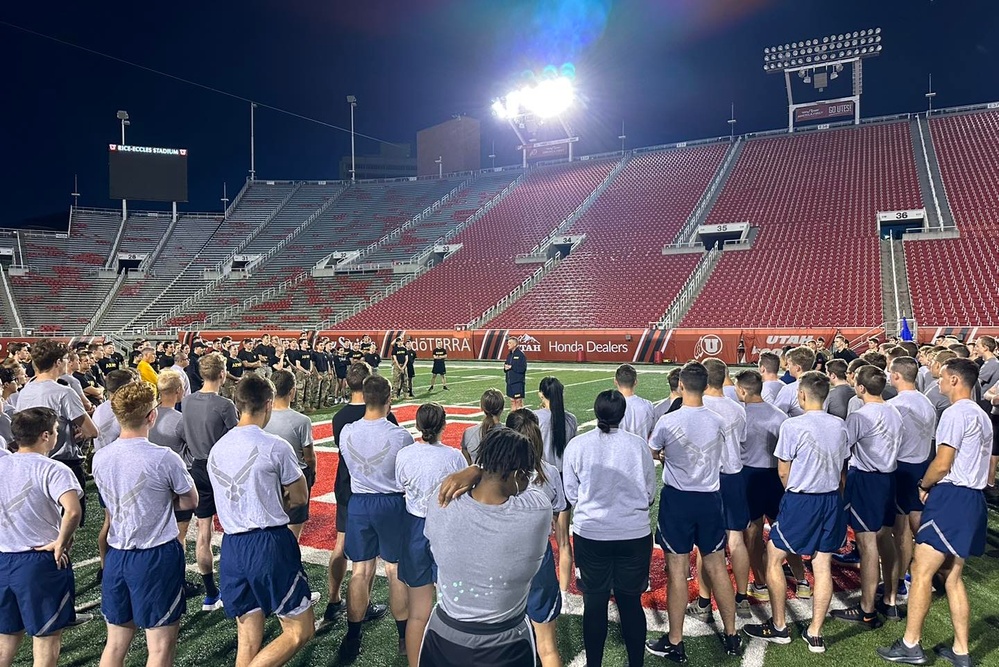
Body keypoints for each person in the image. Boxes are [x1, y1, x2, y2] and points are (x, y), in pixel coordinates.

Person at [877, 358, 993, 666]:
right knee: (953, 577)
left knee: (921, 571)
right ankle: (961, 650)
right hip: (972, 499)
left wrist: (924, 484)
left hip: (952, 497)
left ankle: (911, 644)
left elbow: (943, 463)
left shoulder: (955, 413)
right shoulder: (981, 415)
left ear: (955, 380)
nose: (938, 382)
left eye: (942, 377)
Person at [208, 374, 315, 666]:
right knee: (299, 631)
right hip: (268, 543)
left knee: (248, 639)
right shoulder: (275, 445)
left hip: (232, 546)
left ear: (238, 403)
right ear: (268, 404)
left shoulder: (218, 449)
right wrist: (276, 499)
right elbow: (300, 497)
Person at [423, 428, 553, 666]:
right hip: (506, 644)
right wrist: (478, 471)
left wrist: (476, 469)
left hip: (444, 637)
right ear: (517, 474)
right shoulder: (536, 511)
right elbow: (536, 492)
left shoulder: (440, 501)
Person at [743, 371, 850, 653]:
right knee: (822, 564)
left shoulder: (793, 426)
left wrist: (794, 493)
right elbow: (842, 469)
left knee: (773, 558)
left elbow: (783, 471)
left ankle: (779, 626)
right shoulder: (840, 426)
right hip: (831, 499)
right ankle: (815, 633)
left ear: (802, 395)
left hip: (802, 500)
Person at [93, 382, 198, 667]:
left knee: (115, 644)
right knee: (160, 647)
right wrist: (163, 503)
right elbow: (190, 501)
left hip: (117, 556)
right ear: (152, 416)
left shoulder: (100, 458)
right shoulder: (164, 458)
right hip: (155, 556)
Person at [647, 362, 742, 661]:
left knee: (677, 572)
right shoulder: (718, 420)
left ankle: (676, 641)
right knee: (716, 566)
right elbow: (727, 462)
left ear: (682, 386)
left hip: (678, 501)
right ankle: (731, 634)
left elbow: (653, 450)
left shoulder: (668, 421)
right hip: (710, 499)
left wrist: (667, 457)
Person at [563, 390, 655, 667]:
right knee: (630, 603)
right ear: (623, 414)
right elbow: (649, 493)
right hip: (634, 533)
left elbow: (572, 492)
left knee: (595, 603)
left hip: (592, 533)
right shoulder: (638, 446)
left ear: (596, 411)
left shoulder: (578, 445)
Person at [0, 408, 86, 667]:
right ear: (45, 435)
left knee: (6, 638)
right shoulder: (54, 469)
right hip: (39, 561)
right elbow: (72, 510)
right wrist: (61, 542)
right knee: (46, 638)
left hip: (4, 560)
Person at [337, 374, 413, 661]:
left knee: (360, 571)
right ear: (389, 400)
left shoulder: (347, 431)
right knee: (394, 571)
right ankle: (404, 638)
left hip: (359, 504)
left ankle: (353, 636)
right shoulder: (400, 436)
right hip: (391, 503)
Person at [394, 403, 466, 667]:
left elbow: (399, 485)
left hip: (414, 529)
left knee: (417, 613)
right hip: (445, 529)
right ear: (443, 425)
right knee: (451, 608)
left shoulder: (405, 454)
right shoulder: (454, 457)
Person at [320, 363, 391, 630]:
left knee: (341, 542)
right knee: (367, 553)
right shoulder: (381, 414)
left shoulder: (339, 417)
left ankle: (333, 599)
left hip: (345, 482)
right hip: (371, 485)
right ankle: (364, 604)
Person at [831, 365, 903, 626]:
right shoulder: (894, 410)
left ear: (860, 387)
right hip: (888, 478)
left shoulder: (860, 416)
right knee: (886, 538)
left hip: (867, 480)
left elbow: (842, 449)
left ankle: (867, 609)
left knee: (867, 544)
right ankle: (891, 600)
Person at [733, 370, 803, 603]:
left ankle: (761, 584)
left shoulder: (740, 415)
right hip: (776, 477)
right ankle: (802, 581)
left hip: (750, 477)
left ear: (742, 390)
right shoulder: (780, 415)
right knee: (785, 530)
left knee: (751, 534)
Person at [14, 339, 99, 524]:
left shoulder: (24, 391)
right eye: (66, 360)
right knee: (67, 527)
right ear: (58, 362)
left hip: (31, 465)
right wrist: (80, 432)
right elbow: (92, 431)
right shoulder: (63, 392)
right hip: (63, 464)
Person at [695, 358, 753, 619]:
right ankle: (741, 598)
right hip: (733, 476)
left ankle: (704, 603)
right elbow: (741, 441)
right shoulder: (738, 408)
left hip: (707, 481)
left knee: (706, 544)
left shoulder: (698, 406)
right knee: (736, 539)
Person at [181, 353, 238, 612]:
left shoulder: (187, 401)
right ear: (223, 374)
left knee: (203, 532)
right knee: (233, 529)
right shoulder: (225, 404)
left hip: (197, 468)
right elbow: (237, 437)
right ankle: (232, 587)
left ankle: (210, 593)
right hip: (222, 469)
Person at [885, 356, 937, 610]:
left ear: (896, 375)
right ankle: (928, 566)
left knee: (901, 528)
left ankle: (899, 579)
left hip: (903, 467)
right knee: (917, 520)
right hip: (922, 463)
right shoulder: (926, 401)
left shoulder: (896, 405)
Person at [263, 370, 317, 541]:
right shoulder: (301, 420)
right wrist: (312, 473)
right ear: (292, 391)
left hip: (267, 474)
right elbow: (309, 456)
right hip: (295, 476)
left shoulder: (262, 417)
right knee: (294, 531)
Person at [536, 376, 577, 593]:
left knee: (536, 539)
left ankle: (539, 588)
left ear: (542, 394)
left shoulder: (535, 418)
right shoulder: (570, 420)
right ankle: (562, 590)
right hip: (563, 480)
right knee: (563, 541)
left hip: (540, 479)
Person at [460, 388, 504, 465]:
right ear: (502, 408)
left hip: (478, 476)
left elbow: (467, 466)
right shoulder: (512, 434)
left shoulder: (469, 433)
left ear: (482, 407)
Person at [615, 364, 656, 440]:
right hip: (641, 450)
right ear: (635, 382)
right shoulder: (647, 405)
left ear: (615, 381)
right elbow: (652, 433)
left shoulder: (611, 406)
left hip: (617, 450)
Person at [774, 346, 816, 417]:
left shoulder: (789, 390)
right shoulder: (822, 387)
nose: (788, 367)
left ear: (797, 368)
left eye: (789, 364)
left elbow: (776, 415)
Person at [504, 336, 528, 411]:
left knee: (518, 401)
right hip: (509, 382)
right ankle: (513, 419)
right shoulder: (509, 355)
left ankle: (521, 420)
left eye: (510, 343)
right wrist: (505, 368)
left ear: (515, 344)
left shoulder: (521, 355)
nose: (508, 344)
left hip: (517, 383)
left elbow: (522, 369)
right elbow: (506, 366)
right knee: (512, 401)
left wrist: (512, 367)